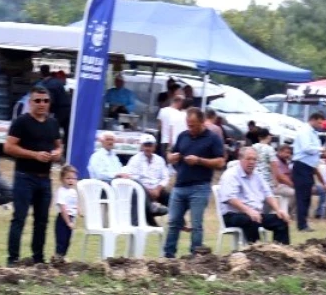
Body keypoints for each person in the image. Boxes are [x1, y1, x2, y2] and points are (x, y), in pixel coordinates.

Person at [4, 86, 63, 265]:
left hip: (44, 178)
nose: (41, 104)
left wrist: (56, 154)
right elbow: (8, 147)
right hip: (25, 176)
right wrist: (34, 154)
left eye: (45, 101)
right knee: (19, 218)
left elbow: (59, 146)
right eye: (37, 101)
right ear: (30, 103)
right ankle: (12, 259)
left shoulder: (53, 123)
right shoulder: (21, 122)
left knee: (42, 220)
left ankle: (38, 258)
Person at [163, 107, 226, 258]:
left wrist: (199, 160)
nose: (190, 128)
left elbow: (220, 162)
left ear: (202, 122)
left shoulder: (213, 138)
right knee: (173, 222)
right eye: (188, 124)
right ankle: (168, 256)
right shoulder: (183, 136)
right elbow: (170, 153)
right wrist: (171, 157)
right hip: (180, 185)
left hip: (200, 186)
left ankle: (195, 256)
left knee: (196, 224)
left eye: (193, 125)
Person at [218, 146, 290, 245]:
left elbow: (268, 194)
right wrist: (248, 211)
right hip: (233, 215)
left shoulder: (257, 175)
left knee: (281, 220)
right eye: (248, 159)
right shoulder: (231, 174)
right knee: (251, 219)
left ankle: (280, 253)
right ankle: (255, 252)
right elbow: (230, 199)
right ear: (240, 159)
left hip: (255, 214)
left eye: (254, 159)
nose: (252, 162)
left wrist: (278, 210)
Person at [123, 134, 170, 225]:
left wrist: (157, 189)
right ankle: (152, 216)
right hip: (141, 189)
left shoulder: (160, 160)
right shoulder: (135, 160)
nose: (148, 148)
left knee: (173, 199)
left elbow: (165, 177)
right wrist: (148, 191)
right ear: (142, 146)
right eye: (145, 145)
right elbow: (133, 178)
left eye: (150, 145)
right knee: (141, 193)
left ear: (154, 147)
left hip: (157, 190)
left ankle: (178, 221)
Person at [291, 112, 326, 232]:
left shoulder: (312, 133)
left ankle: (304, 223)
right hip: (302, 166)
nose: (321, 125)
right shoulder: (305, 132)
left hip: (308, 167)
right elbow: (307, 148)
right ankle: (301, 225)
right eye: (320, 122)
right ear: (313, 120)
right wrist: (321, 149)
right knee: (302, 197)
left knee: (306, 197)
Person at [53, 165, 79, 261]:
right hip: (62, 219)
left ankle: (62, 257)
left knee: (68, 241)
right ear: (62, 179)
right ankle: (57, 258)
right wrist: (68, 222)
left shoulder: (73, 191)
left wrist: (78, 211)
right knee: (61, 240)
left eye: (73, 178)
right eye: (68, 178)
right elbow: (63, 208)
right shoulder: (61, 191)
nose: (71, 181)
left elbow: (75, 203)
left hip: (71, 218)